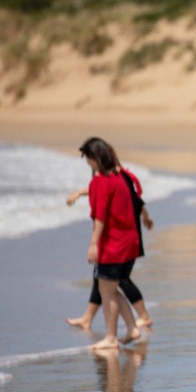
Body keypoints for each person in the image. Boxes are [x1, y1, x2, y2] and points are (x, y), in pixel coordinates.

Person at [66, 164, 154, 330]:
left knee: (118, 280)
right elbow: (136, 200)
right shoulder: (121, 177)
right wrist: (146, 217)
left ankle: (143, 316)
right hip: (125, 238)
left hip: (121, 240)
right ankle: (87, 318)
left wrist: (79, 193)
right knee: (101, 277)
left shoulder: (117, 178)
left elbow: (128, 198)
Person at [78, 137, 143, 351]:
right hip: (130, 242)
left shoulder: (101, 181)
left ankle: (111, 337)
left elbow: (100, 216)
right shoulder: (120, 177)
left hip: (113, 244)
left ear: (95, 158)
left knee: (107, 291)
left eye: (88, 158)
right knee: (111, 290)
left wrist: (93, 244)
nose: (88, 163)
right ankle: (132, 328)